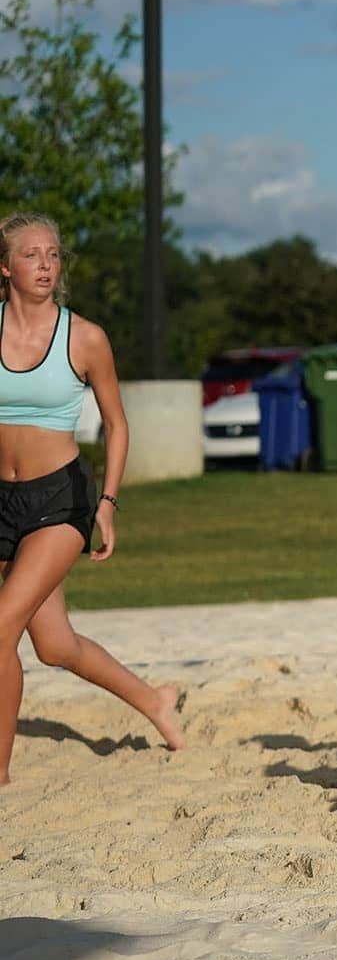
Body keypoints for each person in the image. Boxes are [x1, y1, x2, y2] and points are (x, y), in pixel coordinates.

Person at [0, 212, 185, 786]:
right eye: (31, 255)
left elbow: (117, 424)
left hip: (62, 497)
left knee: (1, 629)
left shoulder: (84, 337)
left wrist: (107, 502)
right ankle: (155, 701)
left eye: (53, 254)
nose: (46, 266)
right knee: (54, 645)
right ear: (4, 266)